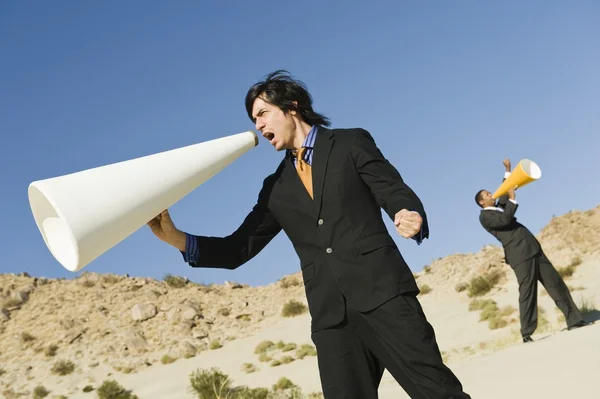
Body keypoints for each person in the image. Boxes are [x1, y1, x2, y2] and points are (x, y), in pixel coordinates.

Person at [148, 70, 471, 399]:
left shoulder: (349, 143)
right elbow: (238, 249)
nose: (258, 126)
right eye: (253, 119)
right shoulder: (275, 188)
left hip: (383, 295)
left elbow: (392, 190)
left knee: (438, 393)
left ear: (292, 107)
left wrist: (407, 212)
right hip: (332, 319)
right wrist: (174, 237)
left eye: (263, 114)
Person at [475, 158, 592, 343]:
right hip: (520, 257)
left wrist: (508, 171)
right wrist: (513, 200)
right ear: (482, 202)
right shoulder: (486, 217)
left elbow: (504, 192)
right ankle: (527, 333)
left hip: (534, 250)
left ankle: (574, 320)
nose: (492, 194)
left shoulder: (498, 207)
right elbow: (505, 220)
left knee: (556, 284)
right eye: (488, 194)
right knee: (528, 292)